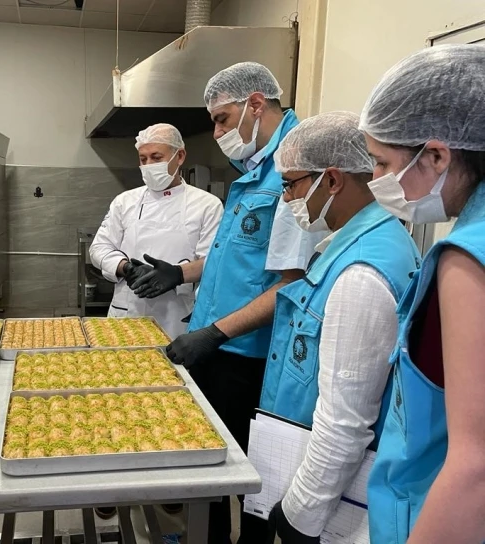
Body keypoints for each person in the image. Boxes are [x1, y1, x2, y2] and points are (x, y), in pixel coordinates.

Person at [132, 63, 324, 543]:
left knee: (246, 481)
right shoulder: (255, 168)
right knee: (212, 467)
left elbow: (293, 283)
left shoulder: (292, 169)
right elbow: (237, 258)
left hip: (248, 356)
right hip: (221, 348)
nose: (217, 133)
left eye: (221, 119)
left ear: (255, 104)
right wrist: (181, 272)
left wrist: (215, 333)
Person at [257, 112, 420, 544]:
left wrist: (300, 515)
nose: (287, 199)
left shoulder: (361, 273)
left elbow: (345, 422)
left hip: (336, 505)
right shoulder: (363, 244)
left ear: (331, 180)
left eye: (291, 185)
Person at [358, 44, 485, 544]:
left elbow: (474, 468)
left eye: (381, 163)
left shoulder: (467, 258)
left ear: (435, 155)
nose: (375, 181)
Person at [89, 123, 223, 339]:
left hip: (177, 316)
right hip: (128, 312)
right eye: (143, 159)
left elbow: (214, 262)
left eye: (156, 157)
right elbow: (99, 248)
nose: (149, 165)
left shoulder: (207, 205)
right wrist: (126, 268)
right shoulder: (125, 201)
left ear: (180, 156)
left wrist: (176, 274)